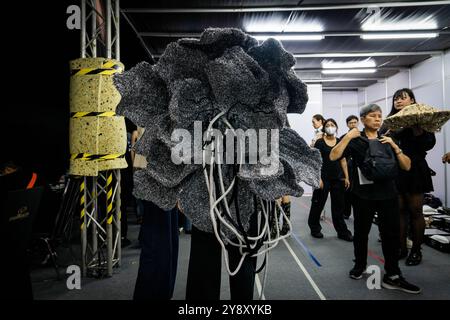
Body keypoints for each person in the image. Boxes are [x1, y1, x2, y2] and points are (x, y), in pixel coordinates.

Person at [330, 104, 421, 294]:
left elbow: (406, 166)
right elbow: (334, 156)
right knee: (361, 233)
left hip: (388, 194)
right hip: (363, 195)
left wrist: (395, 147)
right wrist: (347, 136)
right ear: (363, 119)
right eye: (373, 116)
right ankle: (360, 265)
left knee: (391, 235)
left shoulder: (389, 138)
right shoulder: (356, 140)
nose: (378, 119)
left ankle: (393, 274)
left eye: (380, 116)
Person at [382, 88, 436, 266]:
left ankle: (416, 251)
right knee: (399, 211)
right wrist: (388, 133)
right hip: (396, 169)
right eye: (396, 98)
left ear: (412, 100)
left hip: (416, 169)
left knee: (415, 211)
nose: (398, 101)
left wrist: (416, 128)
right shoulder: (390, 121)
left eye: (402, 98)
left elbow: (429, 144)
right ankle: (401, 248)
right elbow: (380, 140)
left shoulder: (422, 119)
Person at [308, 118, 353, 241]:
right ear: (324, 128)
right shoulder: (320, 143)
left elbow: (343, 160)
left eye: (332, 125)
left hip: (338, 178)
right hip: (323, 178)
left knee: (338, 206)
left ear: (336, 128)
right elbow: (315, 161)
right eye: (327, 125)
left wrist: (346, 177)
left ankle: (342, 232)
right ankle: (315, 228)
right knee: (318, 204)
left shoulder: (340, 142)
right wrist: (318, 178)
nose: (330, 127)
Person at [340, 115, 359, 219]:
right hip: (347, 168)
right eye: (351, 123)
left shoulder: (362, 136)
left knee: (358, 192)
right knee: (347, 190)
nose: (353, 124)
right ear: (347, 124)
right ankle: (346, 212)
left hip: (360, 168)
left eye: (355, 122)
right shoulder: (344, 137)